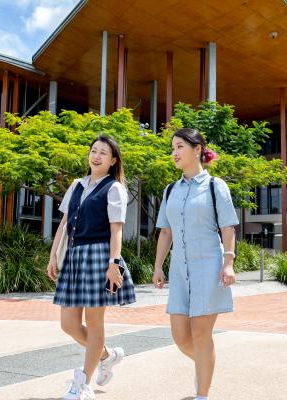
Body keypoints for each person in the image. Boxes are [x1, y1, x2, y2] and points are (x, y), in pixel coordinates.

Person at [152, 128, 239, 400]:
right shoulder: (170, 190)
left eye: (179, 146)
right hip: (179, 270)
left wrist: (228, 263)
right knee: (181, 337)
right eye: (172, 148)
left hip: (209, 266)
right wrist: (157, 266)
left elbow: (228, 228)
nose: (174, 153)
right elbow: (165, 232)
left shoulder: (216, 186)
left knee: (201, 334)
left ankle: (202, 394)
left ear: (198, 149)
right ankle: (206, 363)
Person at [47, 135, 136, 400]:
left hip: (100, 255)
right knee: (69, 324)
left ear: (113, 160)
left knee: (94, 323)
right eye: (93, 151)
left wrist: (114, 263)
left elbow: (116, 229)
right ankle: (107, 356)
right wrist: (53, 256)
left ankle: (83, 385)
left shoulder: (114, 188)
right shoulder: (76, 185)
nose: (96, 156)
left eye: (103, 153)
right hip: (74, 257)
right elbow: (64, 224)